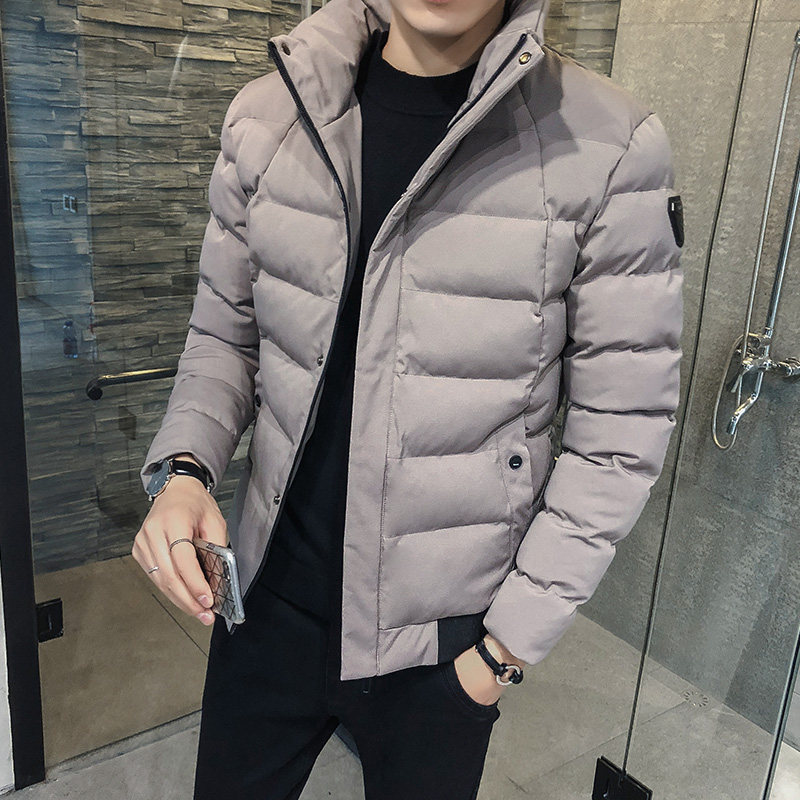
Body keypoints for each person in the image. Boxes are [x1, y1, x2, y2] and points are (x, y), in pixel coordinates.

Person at [134, 0, 685, 796]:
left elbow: (620, 435)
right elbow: (225, 337)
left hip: (443, 650)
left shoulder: (608, 144)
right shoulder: (266, 116)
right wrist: (185, 471)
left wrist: (500, 656)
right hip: (265, 605)